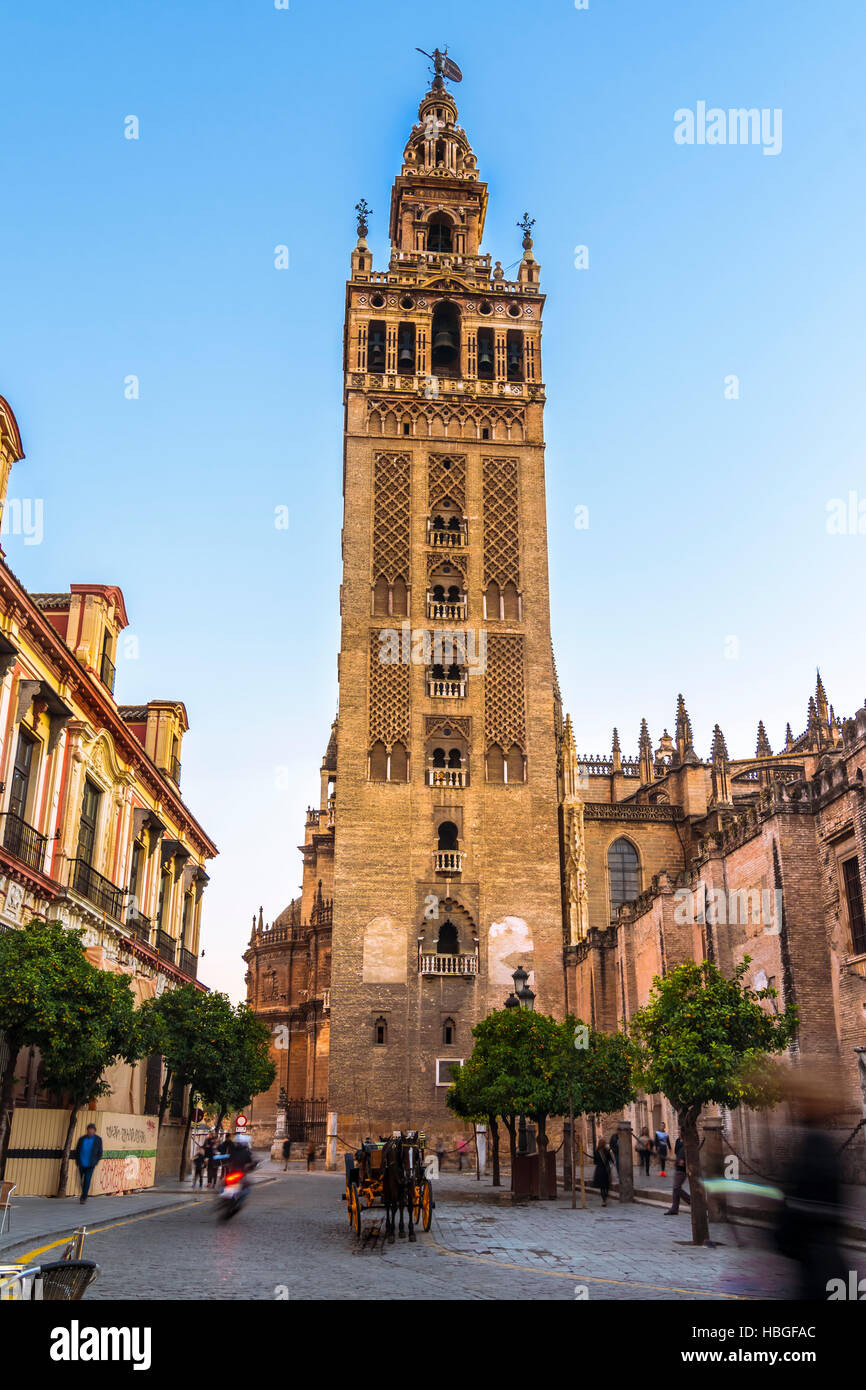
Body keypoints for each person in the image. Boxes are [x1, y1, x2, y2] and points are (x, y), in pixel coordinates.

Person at [72, 1123, 103, 1204]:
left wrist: (96, 1161)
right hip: (81, 1163)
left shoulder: (98, 1140)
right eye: (89, 1129)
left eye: (92, 1130)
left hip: (90, 1164)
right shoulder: (82, 1139)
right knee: (81, 1181)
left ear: (94, 1131)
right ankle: (84, 1192)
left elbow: (100, 1152)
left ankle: (84, 1197)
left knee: (87, 1180)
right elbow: (77, 1150)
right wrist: (77, 1161)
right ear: (87, 1130)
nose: (90, 1131)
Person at [665, 1137, 691, 1214]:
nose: (679, 1131)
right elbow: (676, 1151)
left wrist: (682, 1159)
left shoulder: (688, 1141)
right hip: (678, 1166)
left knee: (676, 1188)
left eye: (680, 1129)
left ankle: (690, 1200)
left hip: (682, 1168)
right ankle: (674, 1208)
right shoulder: (678, 1140)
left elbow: (686, 1152)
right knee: (676, 1188)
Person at [593, 1138, 613, 1207]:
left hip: (599, 1169)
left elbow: (595, 1162)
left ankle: (603, 1200)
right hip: (606, 1169)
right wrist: (610, 1167)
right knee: (606, 1185)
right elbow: (611, 1161)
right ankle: (605, 1199)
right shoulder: (607, 1151)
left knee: (602, 1187)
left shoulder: (596, 1152)